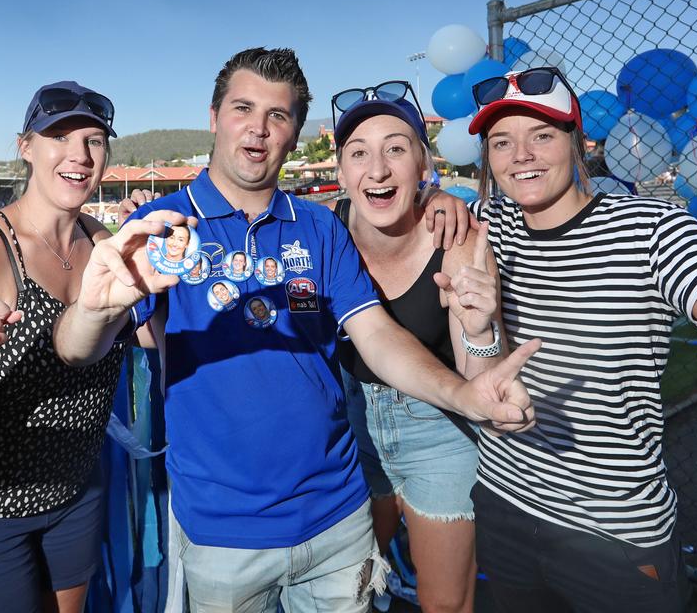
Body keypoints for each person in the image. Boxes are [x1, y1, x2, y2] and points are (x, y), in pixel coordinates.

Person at [53, 47, 539, 612]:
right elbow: (77, 353)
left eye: (278, 116)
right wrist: (92, 310)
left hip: (338, 521)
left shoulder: (317, 226)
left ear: (294, 132)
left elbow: (376, 335)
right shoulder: (160, 228)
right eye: (243, 108)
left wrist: (464, 393)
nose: (258, 129)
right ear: (214, 118)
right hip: (222, 534)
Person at [465, 66, 697, 613]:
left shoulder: (655, 230)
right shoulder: (484, 224)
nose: (520, 155)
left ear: (578, 141)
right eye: (502, 142)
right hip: (504, 506)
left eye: (542, 135)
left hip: (616, 535)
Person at [0, 80, 182, 613]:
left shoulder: (103, 241)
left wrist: (168, 274)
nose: (79, 155)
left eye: (95, 140)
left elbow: (148, 337)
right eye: (59, 135)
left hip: (76, 493)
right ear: (25, 147)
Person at [330, 83, 503, 613]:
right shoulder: (321, 233)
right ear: (340, 173)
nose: (377, 169)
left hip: (439, 426)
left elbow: (479, 376)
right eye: (358, 153)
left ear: (423, 164)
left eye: (396, 149)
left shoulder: (459, 237)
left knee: (445, 603)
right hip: (346, 426)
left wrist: (480, 330)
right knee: (346, 591)